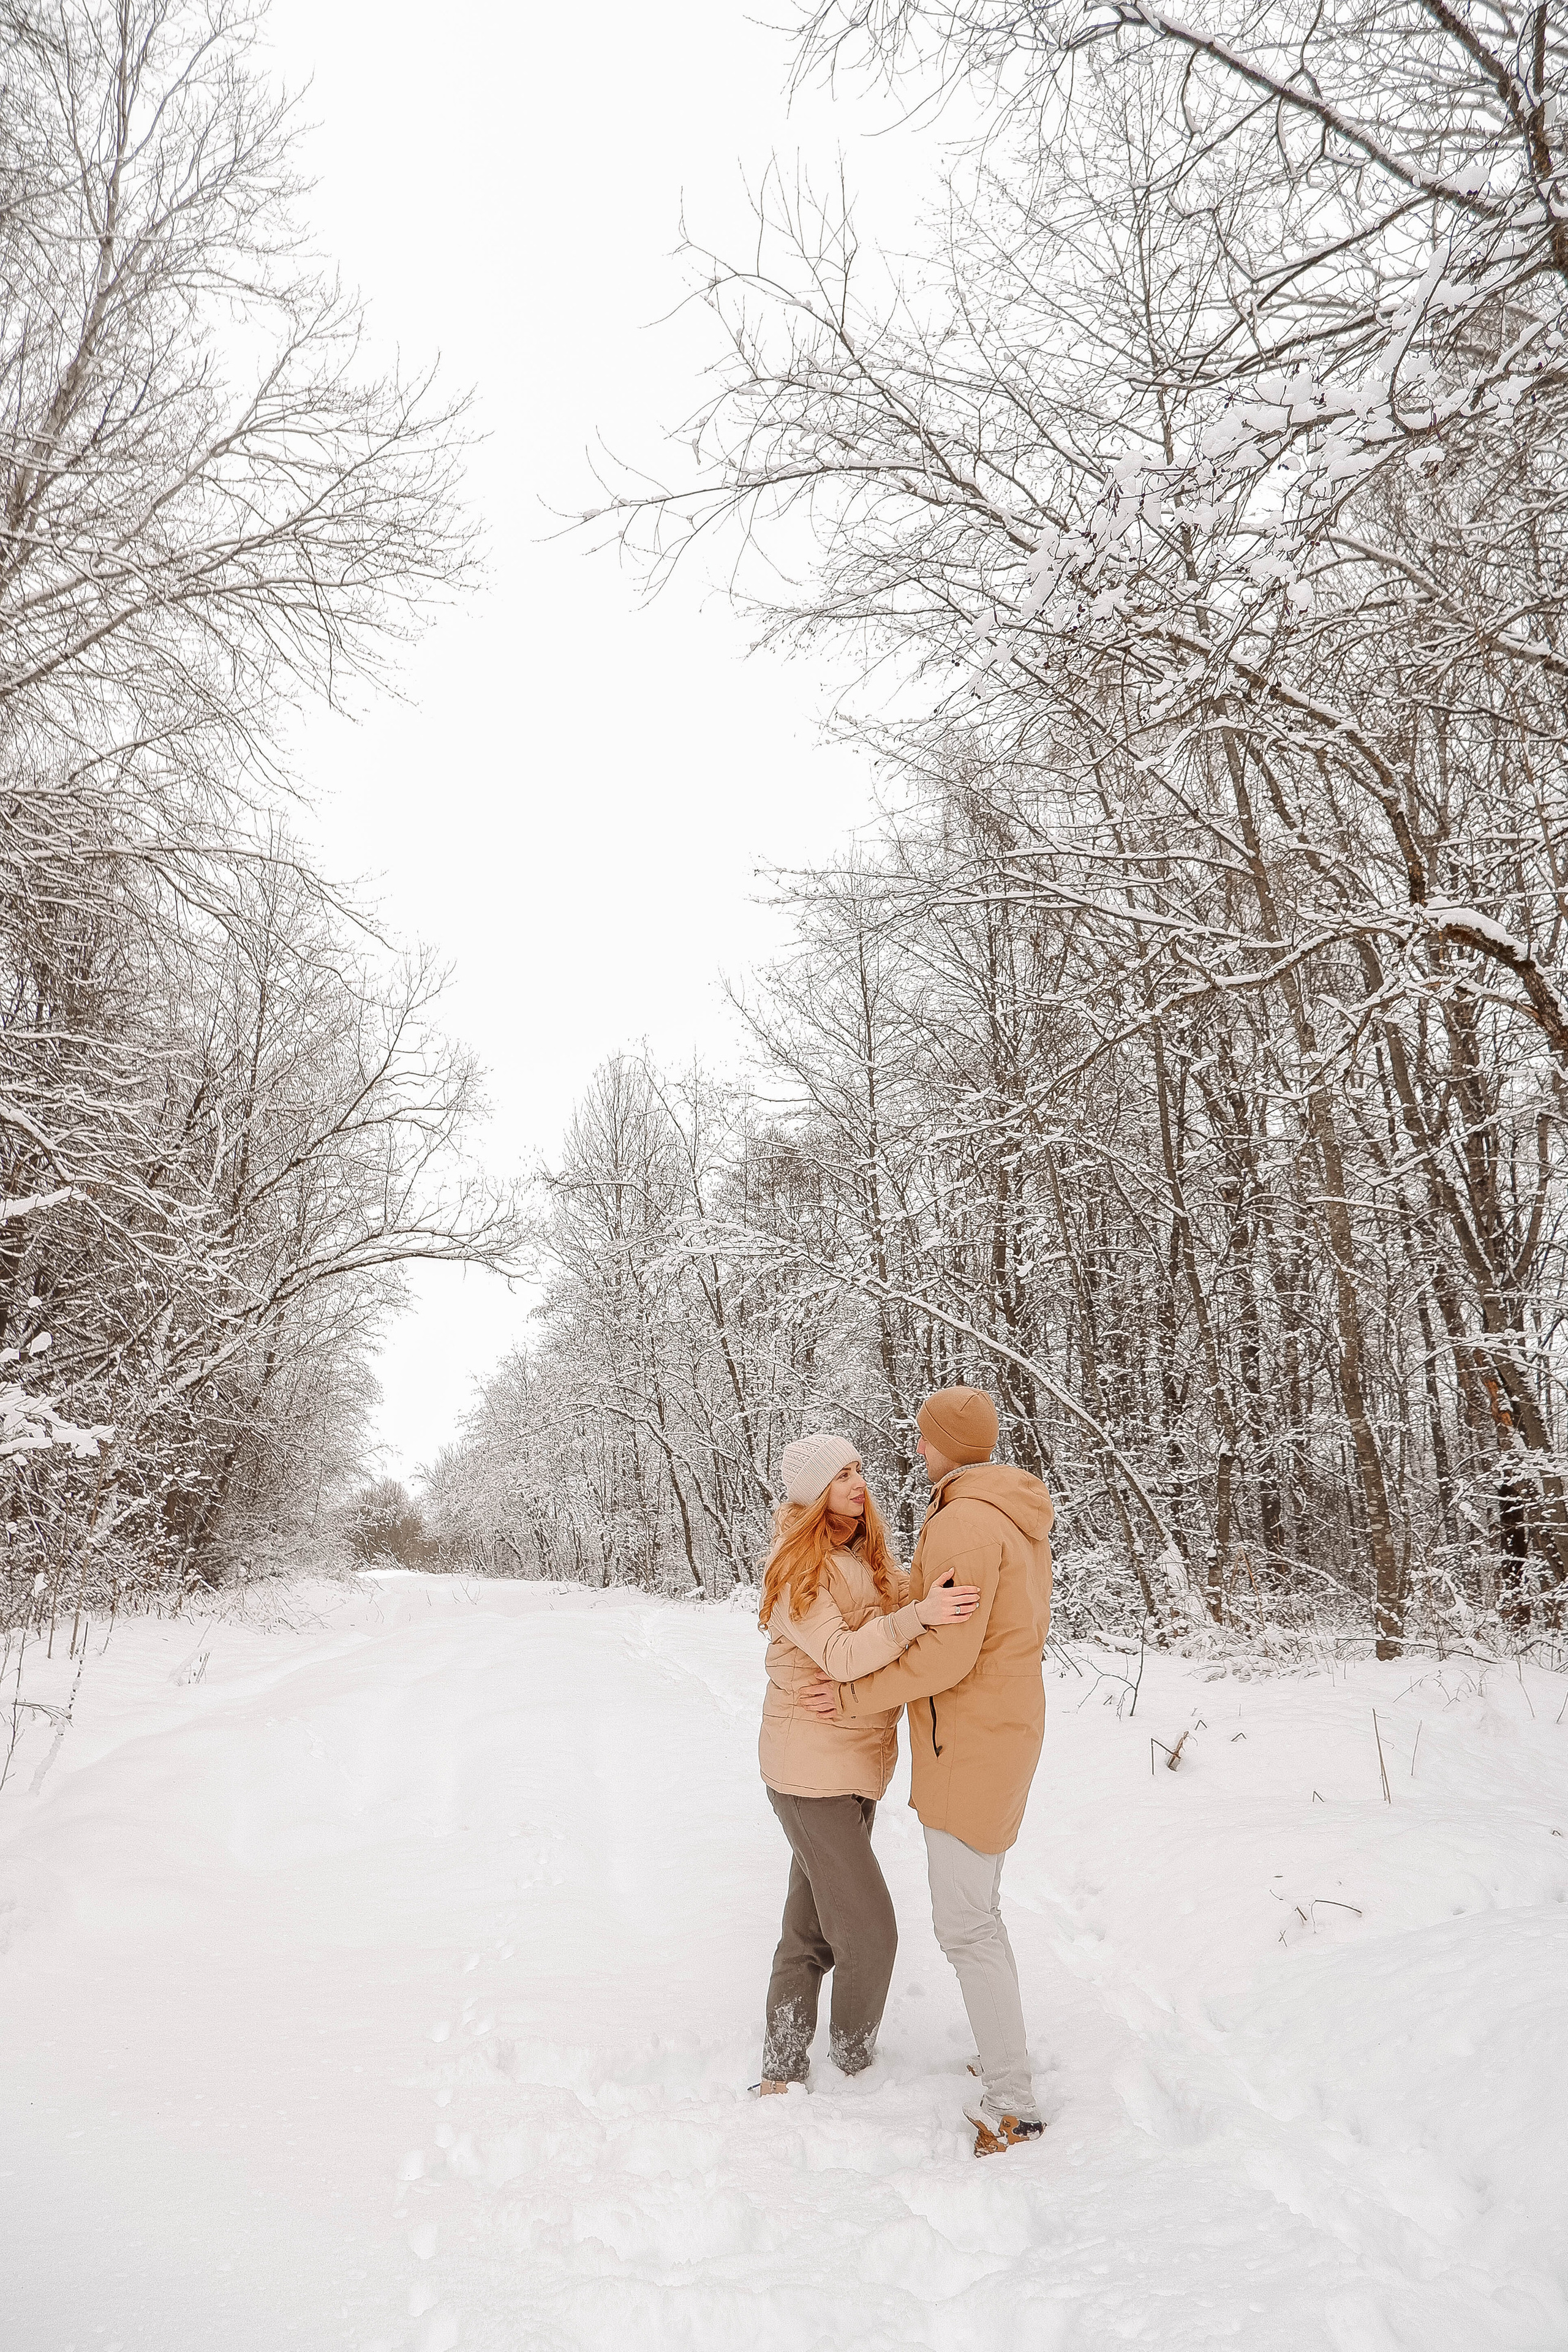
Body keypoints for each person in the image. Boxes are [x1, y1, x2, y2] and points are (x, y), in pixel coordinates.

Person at [800, 1385, 1054, 2158]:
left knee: (966, 1924)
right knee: (982, 1911)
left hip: (971, 1740)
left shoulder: (967, 1521)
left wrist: (849, 1691)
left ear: (949, 1441)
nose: (914, 1447)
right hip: (998, 1729)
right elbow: (952, 1610)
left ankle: (1012, 2102)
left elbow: (947, 1652)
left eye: (922, 1436)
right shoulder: (999, 1508)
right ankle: (1002, 2052)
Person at [753, 1430, 980, 2095]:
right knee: (869, 1932)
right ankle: (852, 2065)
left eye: (858, 1469)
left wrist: (928, 1597)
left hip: (851, 1767)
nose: (858, 1481)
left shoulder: (862, 1556)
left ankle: (781, 2069)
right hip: (810, 1773)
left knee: (809, 1928)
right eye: (841, 1475)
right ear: (812, 1493)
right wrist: (920, 1617)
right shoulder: (799, 1567)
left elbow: (904, 1613)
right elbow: (846, 1657)